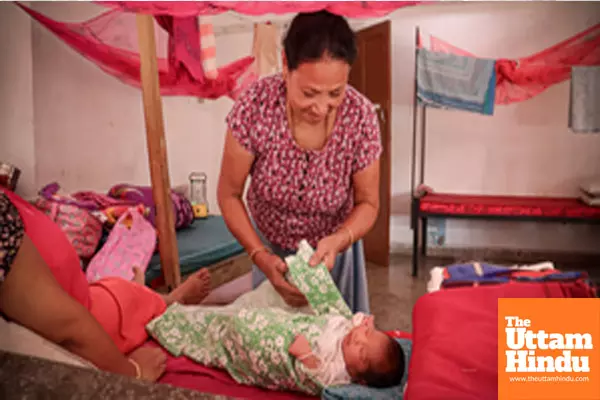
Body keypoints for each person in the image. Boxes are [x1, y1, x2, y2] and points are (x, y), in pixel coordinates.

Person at [217, 10, 381, 313]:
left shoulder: (360, 116)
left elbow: (368, 203)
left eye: (335, 93)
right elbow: (229, 195)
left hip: (335, 251)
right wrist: (260, 256)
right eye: (309, 93)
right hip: (269, 250)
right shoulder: (256, 106)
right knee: (274, 344)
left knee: (340, 345)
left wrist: (339, 240)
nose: (321, 107)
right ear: (285, 66)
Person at [0, 190, 212, 381]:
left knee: (116, 285)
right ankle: (167, 301)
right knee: (126, 297)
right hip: (81, 317)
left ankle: (152, 295)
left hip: (80, 296)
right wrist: (132, 372)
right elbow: (65, 324)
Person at [147, 241, 403, 395]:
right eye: (366, 336)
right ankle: (168, 308)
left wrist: (305, 356)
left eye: (363, 355)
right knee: (222, 318)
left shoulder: (337, 372)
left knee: (219, 333)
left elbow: (316, 379)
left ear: (359, 379)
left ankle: (166, 314)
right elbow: (352, 318)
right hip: (272, 319)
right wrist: (364, 323)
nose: (358, 342)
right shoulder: (350, 331)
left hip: (267, 342)